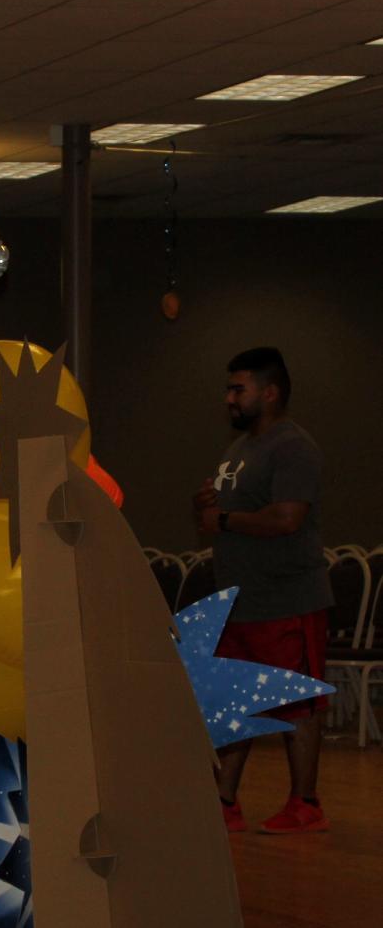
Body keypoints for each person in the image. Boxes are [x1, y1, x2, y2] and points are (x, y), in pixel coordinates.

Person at [193, 346, 333, 835]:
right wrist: (208, 509)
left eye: (239, 389)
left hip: (287, 600)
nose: (229, 398)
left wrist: (224, 518)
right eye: (229, 388)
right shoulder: (238, 450)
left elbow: (286, 518)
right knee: (236, 702)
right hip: (241, 603)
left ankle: (306, 803)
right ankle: (224, 803)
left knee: (297, 703)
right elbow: (225, 520)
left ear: (269, 393)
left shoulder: (293, 447)